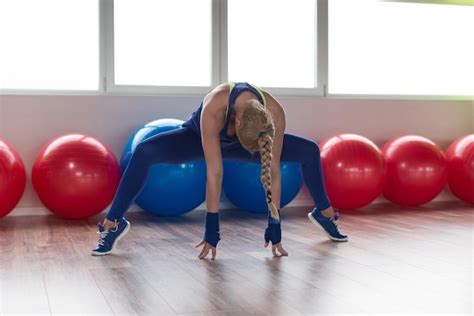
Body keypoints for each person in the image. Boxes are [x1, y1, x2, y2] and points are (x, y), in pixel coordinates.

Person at [91, 82, 348, 259]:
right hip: (198, 139)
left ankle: (325, 214)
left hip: (245, 142)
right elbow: (214, 173)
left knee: (309, 151)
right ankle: (112, 224)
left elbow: (274, 171)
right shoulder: (215, 106)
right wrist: (211, 230)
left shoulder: (275, 113)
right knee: (144, 152)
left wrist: (275, 222)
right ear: (235, 120)